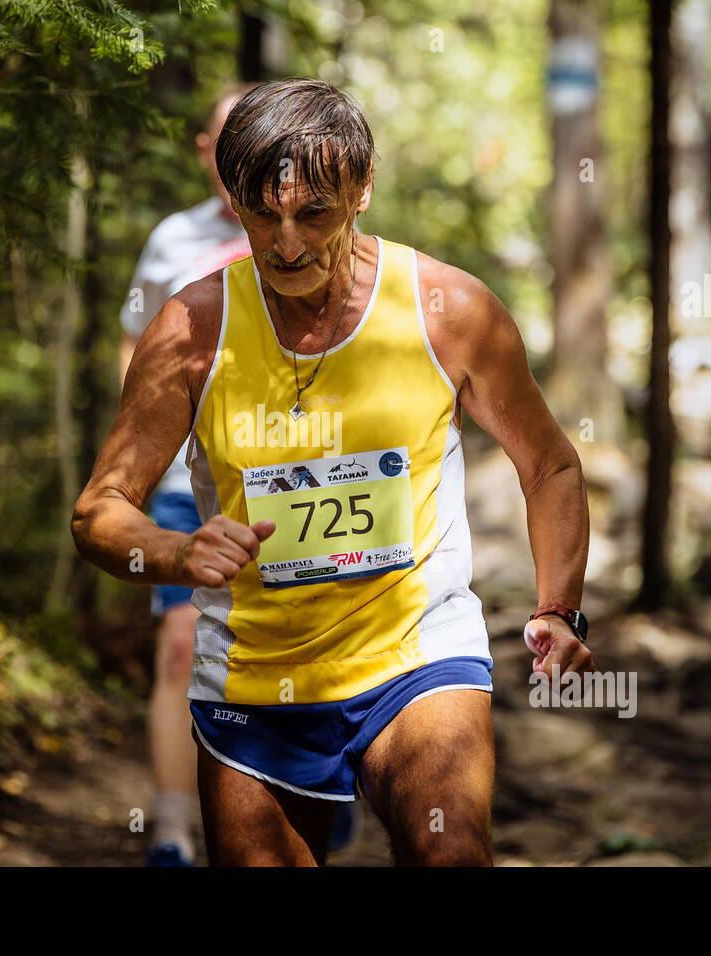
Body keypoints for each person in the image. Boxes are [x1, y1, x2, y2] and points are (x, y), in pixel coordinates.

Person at [76, 78, 594, 866]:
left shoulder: (447, 310)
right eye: (263, 215)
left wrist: (560, 608)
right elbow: (99, 512)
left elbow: (549, 464)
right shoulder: (189, 331)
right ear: (233, 199)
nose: (287, 243)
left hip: (417, 656)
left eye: (314, 212)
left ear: (362, 189)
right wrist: (178, 554)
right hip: (255, 683)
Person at [118, 85, 257, 867]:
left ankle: (323, 790)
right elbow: (134, 344)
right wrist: (131, 465)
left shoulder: (310, 234)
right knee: (182, 645)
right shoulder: (173, 239)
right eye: (222, 141)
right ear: (204, 150)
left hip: (290, 482)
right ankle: (173, 830)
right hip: (181, 481)